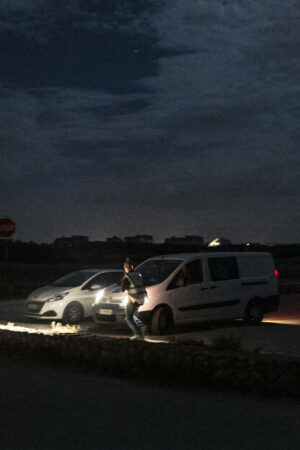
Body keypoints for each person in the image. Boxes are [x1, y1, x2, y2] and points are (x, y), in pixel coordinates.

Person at [121, 258, 147, 340]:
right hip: (141, 299)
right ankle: (141, 326)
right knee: (134, 315)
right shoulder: (138, 274)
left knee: (128, 318)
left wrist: (124, 278)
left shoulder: (127, 276)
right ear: (132, 266)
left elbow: (123, 289)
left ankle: (138, 334)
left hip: (132, 299)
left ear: (125, 267)